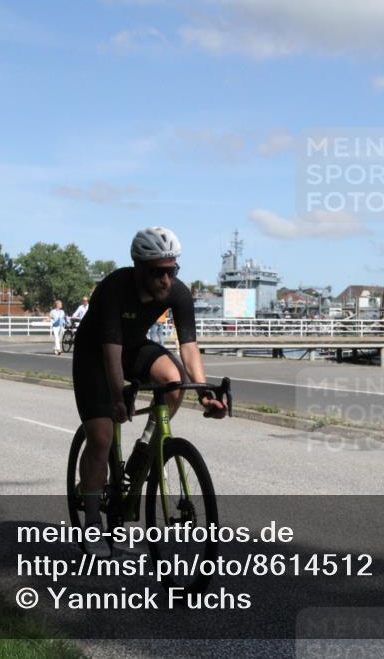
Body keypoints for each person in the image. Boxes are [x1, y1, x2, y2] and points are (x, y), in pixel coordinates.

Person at [72, 226, 228, 556]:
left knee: (173, 380)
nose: (166, 280)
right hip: (94, 354)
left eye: (172, 271)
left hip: (132, 347)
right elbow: (110, 350)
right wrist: (117, 396)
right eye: (158, 272)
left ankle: (145, 447)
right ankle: (92, 523)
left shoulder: (178, 293)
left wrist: (204, 393)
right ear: (140, 268)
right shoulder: (115, 287)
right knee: (100, 438)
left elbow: (189, 346)